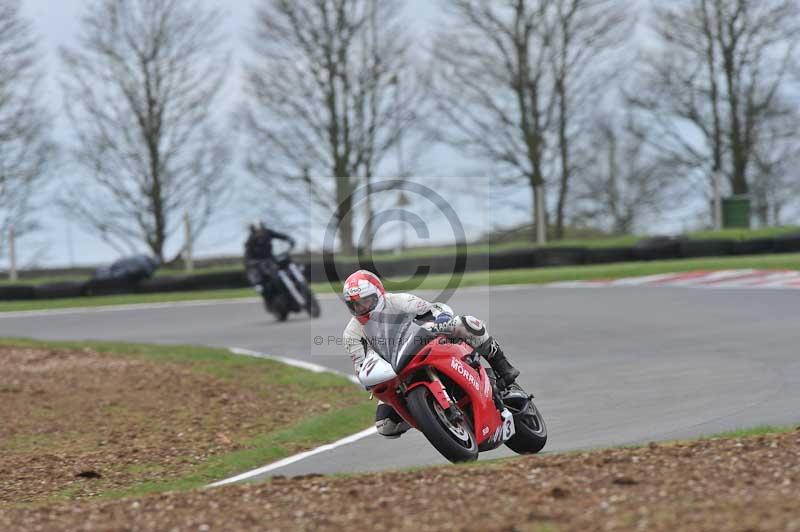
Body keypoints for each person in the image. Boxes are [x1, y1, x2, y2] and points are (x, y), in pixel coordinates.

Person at [341, 269, 521, 439]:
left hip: (423, 345)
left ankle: (503, 368)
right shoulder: (352, 333)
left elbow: (434, 309)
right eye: (355, 305)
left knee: (466, 323)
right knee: (386, 425)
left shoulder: (399, 301)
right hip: (395, 372)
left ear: (379, 294)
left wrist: (441, 320)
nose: (361, 308)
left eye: (366, 301)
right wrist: (370, 377)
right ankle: (430, 417)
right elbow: (360, 365)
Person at [244, 221, 295, 292]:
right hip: (259, 262)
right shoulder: (250, 241)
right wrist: (251, 262)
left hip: (270, 258)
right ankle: (258, 284)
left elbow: (279, 235)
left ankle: (293, 278)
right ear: (253, 230)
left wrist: (288, 238)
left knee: (284, 263)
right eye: (257, 230)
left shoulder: (267, 232)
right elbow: (248, 255)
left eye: (261, 228)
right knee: (255, 270)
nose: (260, 232)